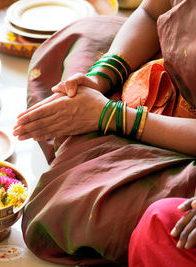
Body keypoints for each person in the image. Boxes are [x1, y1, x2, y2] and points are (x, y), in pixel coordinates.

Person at [13, 0, 196, 266]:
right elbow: (149, 12)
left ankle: (87, 142)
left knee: (71, 209)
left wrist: (109, 115)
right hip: (167, 78)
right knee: (85, 35)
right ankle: (82, 130)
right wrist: (100, 78)